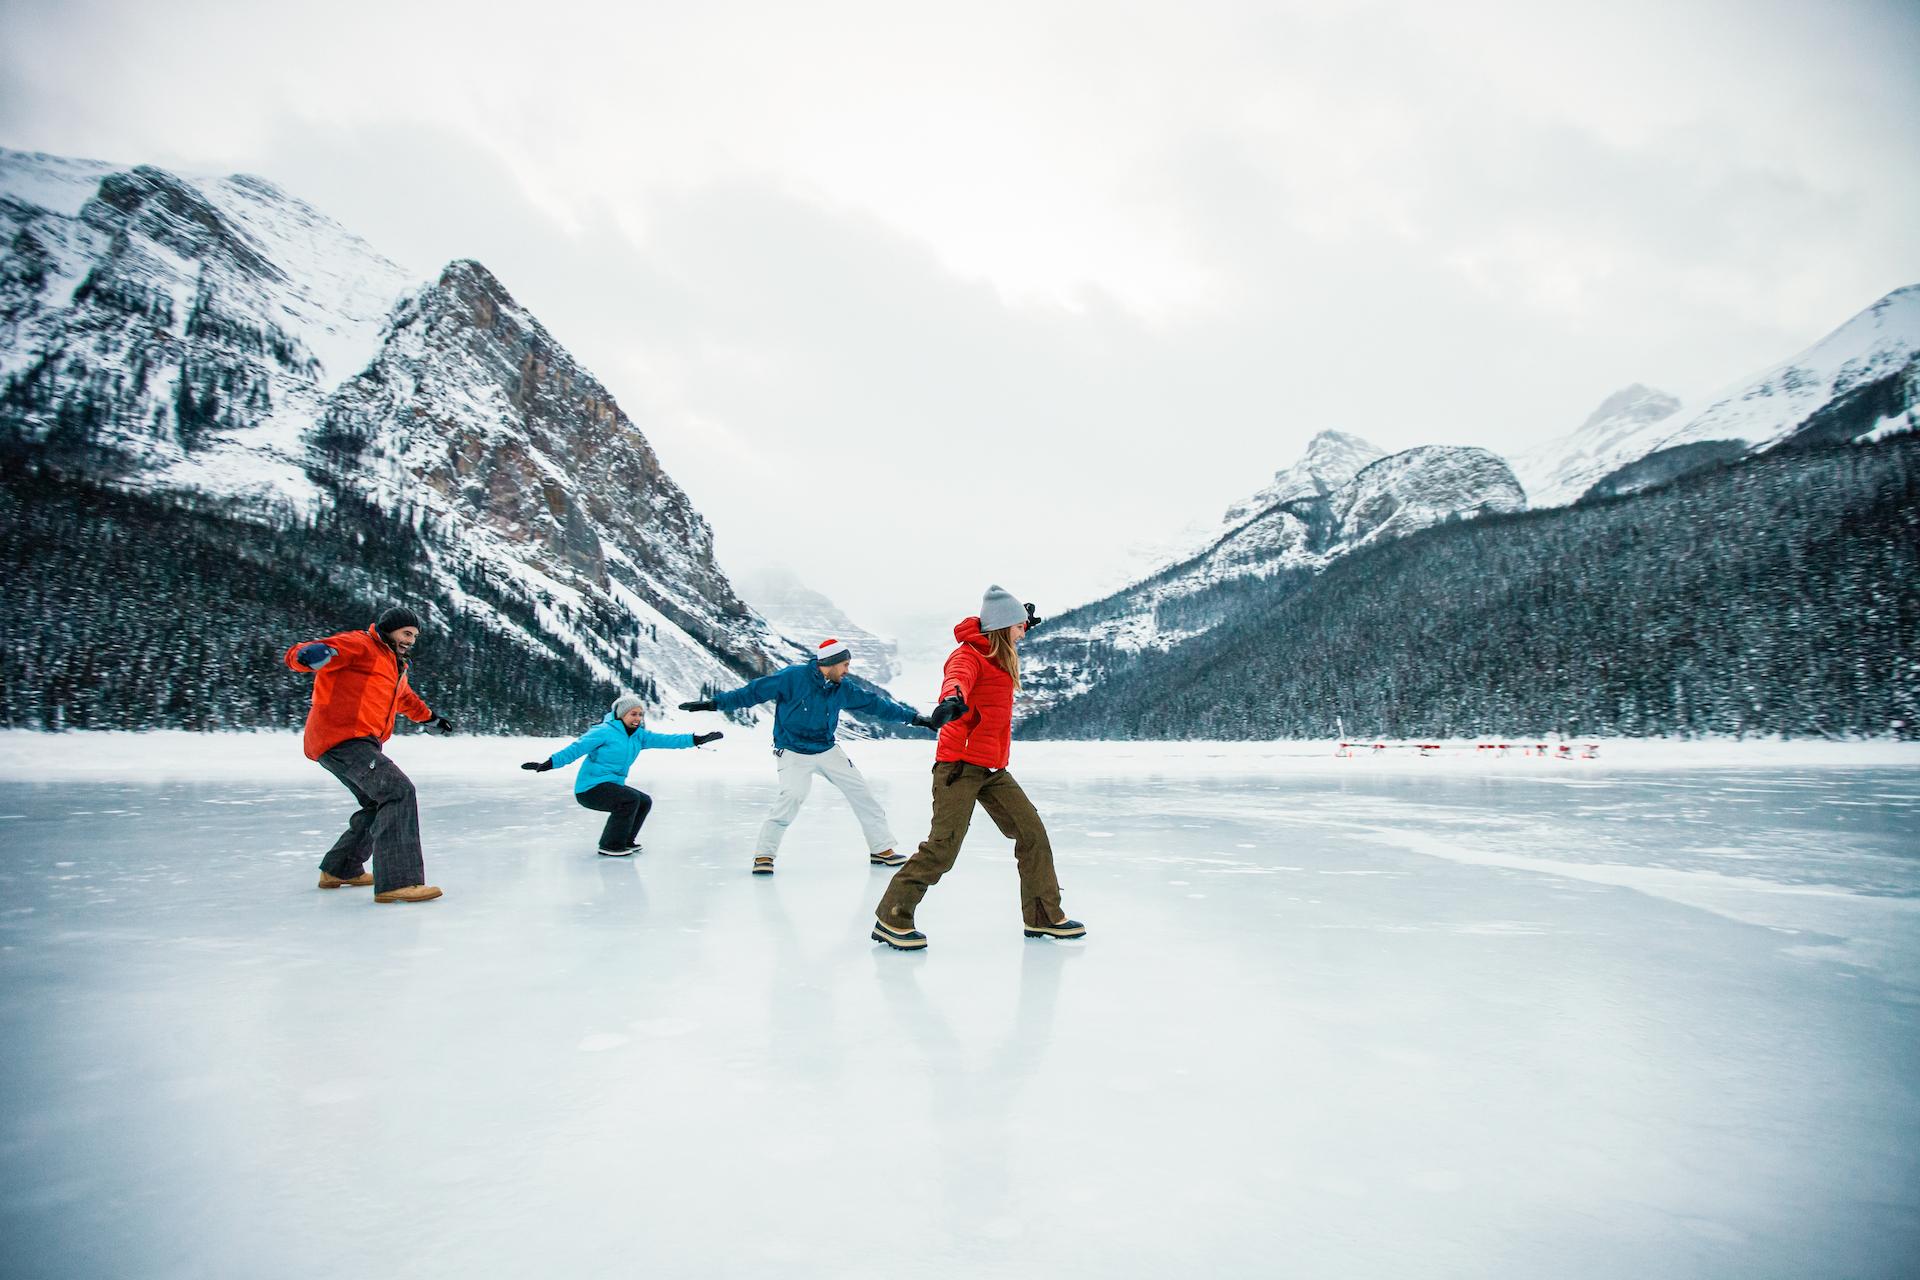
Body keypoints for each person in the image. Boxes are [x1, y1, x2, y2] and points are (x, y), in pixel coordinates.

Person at [873, 586, 1086, 949]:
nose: (1024, 632)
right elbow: (957, 678)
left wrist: (1021, 620)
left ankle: (1043, 916)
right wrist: (953, 699)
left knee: (1032, 833)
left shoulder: (999, 653)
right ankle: (892, 916)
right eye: (1019, 627)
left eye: (1025, 625)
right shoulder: (969, 655)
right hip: (959, 766)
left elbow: (1005, 640)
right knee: (944, 847)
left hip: (992, 769)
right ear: (1003, 628)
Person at [679, 638, 962, 875]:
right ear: (829, 663)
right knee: (791, 797)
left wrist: (916, 719)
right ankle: (764, 856)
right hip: (792, 751)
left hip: (827, 750)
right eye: (845, 665)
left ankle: (882, 850)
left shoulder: (843, 688)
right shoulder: (792, 678)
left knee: (862, 793)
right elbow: (751, 693)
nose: (847, 670)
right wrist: (713, 704)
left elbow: (877, 705)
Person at [285, 606, 451, 903]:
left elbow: (404, 698)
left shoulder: (394, 664)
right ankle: (399, 882)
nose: (411, 640)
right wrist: (306, 656)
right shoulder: (361, 645)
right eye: (406, 633)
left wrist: (430, 719)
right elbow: (307, 652)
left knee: (378, 801)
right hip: (343, 738)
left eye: (414, 635)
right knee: (398, 792)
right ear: (389, 630)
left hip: (358, 742)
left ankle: (342, 868)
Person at [522, 694, 724, 855]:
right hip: (590, 788)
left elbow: (666, 740)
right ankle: (610, 844)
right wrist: (547, 764)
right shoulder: (603, 731)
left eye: (640, 714)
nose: (637, 719)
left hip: (611, 786)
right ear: (621, 715)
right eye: (633, 714)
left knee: (644, 801)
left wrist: (696, 739)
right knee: (629, 799)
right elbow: (576, 749)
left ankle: (626, 840)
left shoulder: (639, 736)